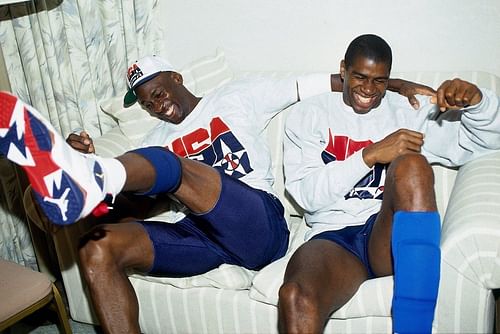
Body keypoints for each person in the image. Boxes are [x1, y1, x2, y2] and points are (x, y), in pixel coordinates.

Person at [0, 54, 432, 333]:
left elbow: (337, 81)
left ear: (177, 76)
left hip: (257, 226)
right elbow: (135, 209)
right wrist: (87, 186)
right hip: (199, 234)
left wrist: (398, 86)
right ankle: (76, 181)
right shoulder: (154, 137)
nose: (155, 102)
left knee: (173, 166)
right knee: (97, 250)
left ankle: (97, 174)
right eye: (145, 100)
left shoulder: (238, 94)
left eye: (158, 89)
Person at [278, 34, 500, 334]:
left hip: (387, 234)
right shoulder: (309, 114)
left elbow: (484, 144)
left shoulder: (408, 110)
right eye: (360, 77)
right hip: (333, 238)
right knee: (295, 296)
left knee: (412, 164)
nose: (369, 89)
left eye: (380, 81)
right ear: (343, 70)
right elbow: (307, 196)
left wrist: (478, 103)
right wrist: (369, 155)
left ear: (389, 78)